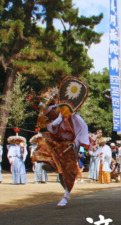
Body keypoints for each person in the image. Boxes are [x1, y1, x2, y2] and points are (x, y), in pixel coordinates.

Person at [32, 77, 91, 208]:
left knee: (67, 171)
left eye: (53, 111)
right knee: (45, 143)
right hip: (57, 144)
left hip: (69, 145)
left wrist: (75, 144)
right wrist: (57, 120)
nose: (51, 114)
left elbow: (83, 129)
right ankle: (49, 162)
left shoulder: (74, 117)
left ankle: (66, 194)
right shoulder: (55, 118)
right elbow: (51, 129)